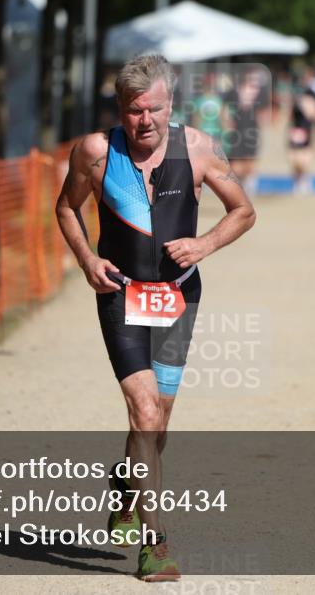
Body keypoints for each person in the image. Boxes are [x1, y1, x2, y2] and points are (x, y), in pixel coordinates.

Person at [55, 54, 256, 581]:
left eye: (154, 109)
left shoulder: (198, 149)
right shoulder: (96, 152)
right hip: (120, 293)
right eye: (133, 110)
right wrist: (87, 259)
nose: (144, 121)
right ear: (119, 108)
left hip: (177, 295)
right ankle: (156, 545)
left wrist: (204, 243)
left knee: (158, 421)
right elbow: (65, 208)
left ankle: (126, 481)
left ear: (172, 104)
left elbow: (244, 210)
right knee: (143, 412)